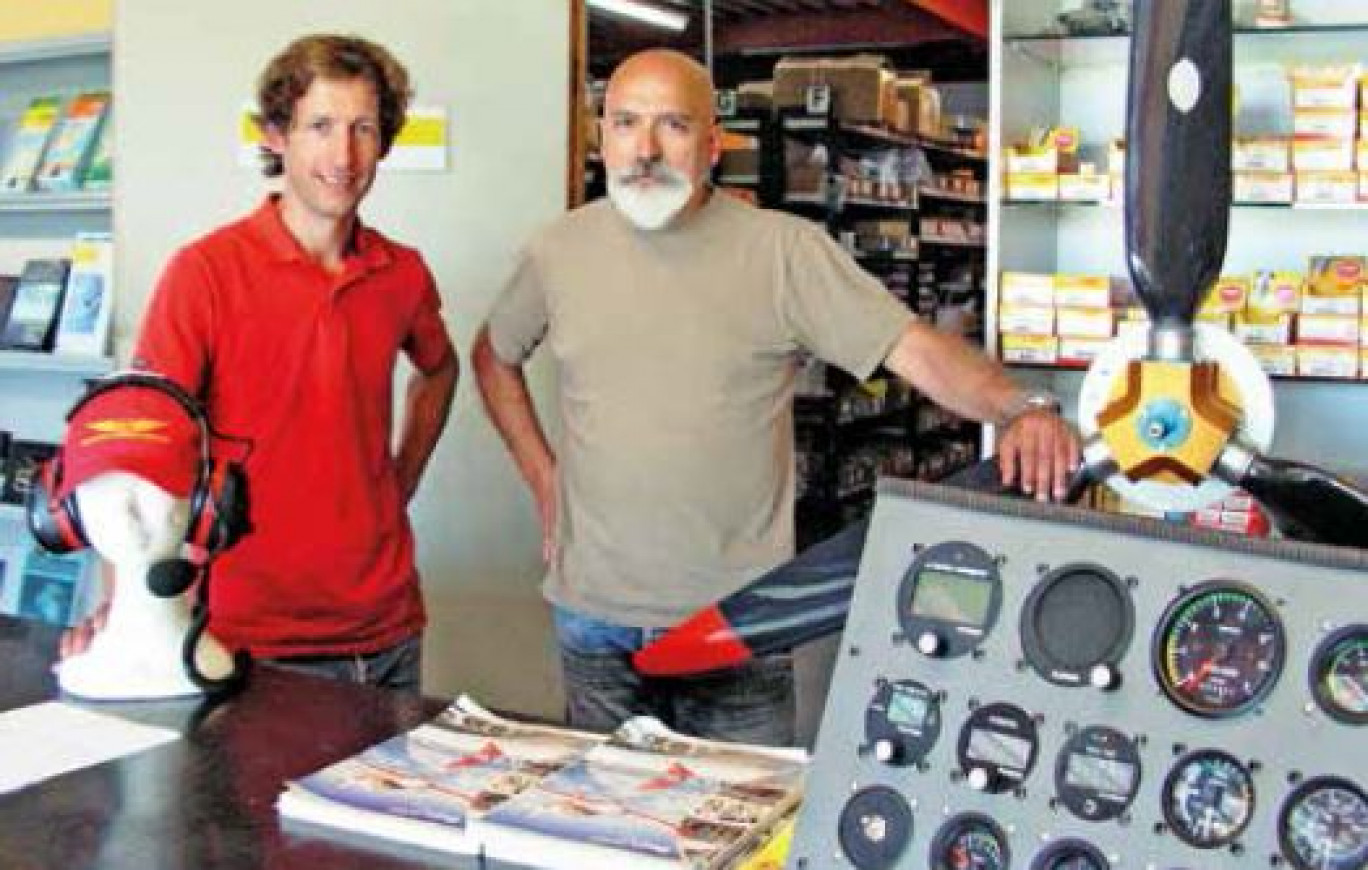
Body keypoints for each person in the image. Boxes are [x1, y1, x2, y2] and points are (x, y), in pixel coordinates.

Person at [473, 49, 1078, 745]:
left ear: (712, 142)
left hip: (739, 617)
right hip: (591, 615)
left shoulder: (784, 252)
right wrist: (544, 479)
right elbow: (494, 356)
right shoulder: (559, 251)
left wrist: (1019, 407)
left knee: (742, 837)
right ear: (601, 135)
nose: (643, 149)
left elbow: (915, 349)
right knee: (607, 833)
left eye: (671, 124)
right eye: (624, 123)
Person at [69, 34, 459, 692]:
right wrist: (122, 606)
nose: (344, 154)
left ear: (386, 140)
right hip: (245, 635)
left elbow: (439, 370)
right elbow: (143, 446)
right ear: (276, 135)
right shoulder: (206, 272)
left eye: (364, 128)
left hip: (385, 629)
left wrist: (399, 481)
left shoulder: (402, 273)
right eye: (321, 126)